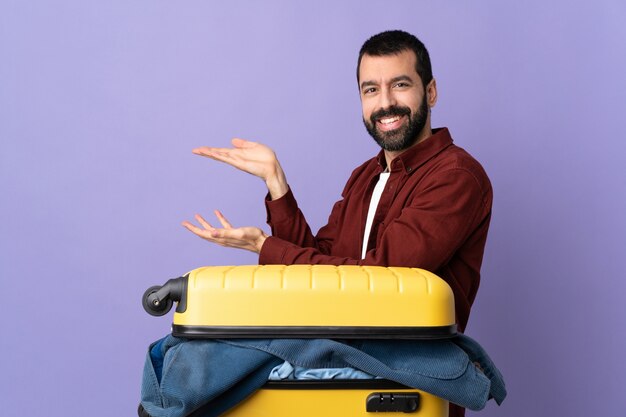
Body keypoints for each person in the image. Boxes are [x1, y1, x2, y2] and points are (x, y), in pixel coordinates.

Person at [182, 30, 492, 417]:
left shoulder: (457, 176)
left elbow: (382, 279)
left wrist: (266, 247)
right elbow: (325, 265)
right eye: (371, 90)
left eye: (400, 85)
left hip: (405, 386)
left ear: (430, 93)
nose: (386, 102)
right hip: (339, 378)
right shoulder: (365, 176)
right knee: (196, 363)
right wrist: (277, 184)